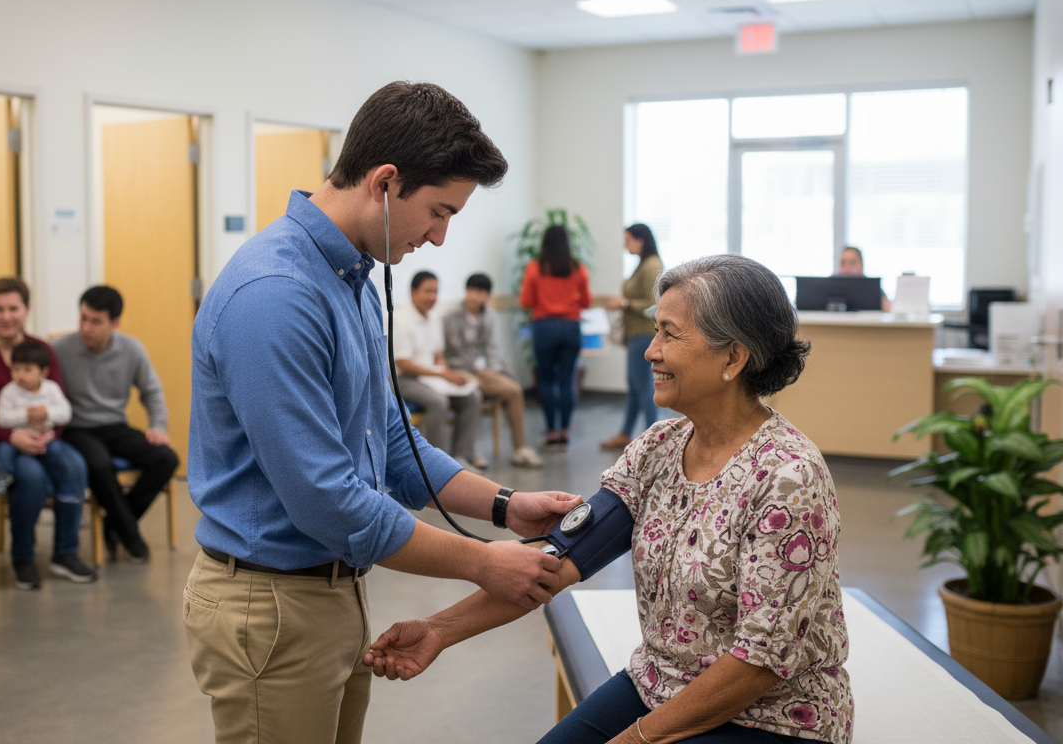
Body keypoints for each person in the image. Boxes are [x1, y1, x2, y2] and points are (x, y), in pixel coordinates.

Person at [185, 80, 582, 744]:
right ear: (385, 182)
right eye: (438, 211)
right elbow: (326, 499)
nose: (441, 236)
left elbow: (393, 443)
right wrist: (483, 564)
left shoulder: (354, 280)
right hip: (272, 600)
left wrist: (505, 505)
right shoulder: (277, 295)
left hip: (332, 590)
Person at [366, 254, 853, 744]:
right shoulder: (657, 450)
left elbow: (758, 664)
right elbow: (556, 562)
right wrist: (439, 629)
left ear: (733, 357)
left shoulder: (788, 477)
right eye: (655, 331)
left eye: (670, 333)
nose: (651, 351)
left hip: (772, 715)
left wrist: (635, 739)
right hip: (660, 683)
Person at [0, 277, 95, 590]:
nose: (6, 316)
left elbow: (57, 399)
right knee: (29, 475)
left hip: (38, 437)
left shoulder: (41, 350)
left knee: (76, 465)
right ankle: (23, 558)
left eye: (13, 309)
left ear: (26, 310)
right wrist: (10, 438)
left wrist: (49, 436)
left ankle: (65, 553)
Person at [53, 285, 179, 564]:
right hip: (77, 427)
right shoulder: (59, 350)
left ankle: (115, 525)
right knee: (99, 465)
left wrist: (158, 426)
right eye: (83, 318)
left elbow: (152, 391)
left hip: (114, 425)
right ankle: (131, 535)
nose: (86, 327)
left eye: (96, 322)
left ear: (115, 323)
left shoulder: (131, 349)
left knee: (166, 459)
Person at [440, 272, 544, 468]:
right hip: (459, 369)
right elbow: (446, 353)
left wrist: (491, 368)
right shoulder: (450, 317)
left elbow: (493, 347)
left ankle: (521, 449)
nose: (474, 296)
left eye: (480, 292)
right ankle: (470, 452)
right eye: (471, 290)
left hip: (483, 371)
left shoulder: (489, 316)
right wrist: (474, 369)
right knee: (474, 392)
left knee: (514, 390)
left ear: (487, 295)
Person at [391, 270, 485, 469]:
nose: (432, 297)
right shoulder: (400, 319)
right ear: (413, 291)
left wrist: (448, 374)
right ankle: (437, 464)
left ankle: (462, 456)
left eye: (435, 291)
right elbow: (403, 363)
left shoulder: (433, 318)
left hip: (430, 377)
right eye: (427, 291)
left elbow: (438, 355)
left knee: (472, 396)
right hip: (404, 379)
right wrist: (441, 373)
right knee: (438, 402)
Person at [519, 224, 591, 447]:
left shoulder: (534, 268)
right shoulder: (578, 268)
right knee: (568, 379)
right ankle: (565, 431)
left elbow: (525, 302)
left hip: (545, 328)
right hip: (571, 328)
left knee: (547, 381)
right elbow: (587, 302)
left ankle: (551, 432)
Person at [601, 223, 664, 451]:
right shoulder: (644, 264)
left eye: (628, 239)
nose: (624, 244)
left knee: (644, 386)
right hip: (636, 334)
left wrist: (626, 303)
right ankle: (626, 432)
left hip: (645, 334)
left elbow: (655, 306)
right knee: (636, 385)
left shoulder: (652, 266)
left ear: (640, 240)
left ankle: (654, 437)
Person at [0, 342, 78, 505]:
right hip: (19, 439)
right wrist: (25, 416)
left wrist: (47, 413)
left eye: (27, 370)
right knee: (4, 450)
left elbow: (66, 413)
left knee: (58, 453)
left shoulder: (51, 389)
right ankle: (2, 479)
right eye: (16, 369)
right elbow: (1, 418)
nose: (20, 376)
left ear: (44, 372)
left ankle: (64, 488)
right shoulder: (9, 391)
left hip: (44, 438)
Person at [836, 246, 891, 311]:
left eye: (852, 263)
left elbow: (888, 309)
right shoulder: (830, 287)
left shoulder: (873, 287)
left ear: (861, 264)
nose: (847, 267)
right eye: (843, 263)